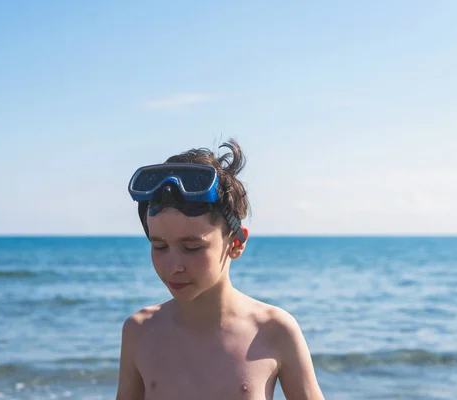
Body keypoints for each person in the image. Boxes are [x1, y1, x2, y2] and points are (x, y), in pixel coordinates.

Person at [116, 139, 325, 400]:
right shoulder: (140, 331)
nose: (173, 266)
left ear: (235, 243)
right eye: (159, 246)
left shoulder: (274, 330)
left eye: (192, 247)